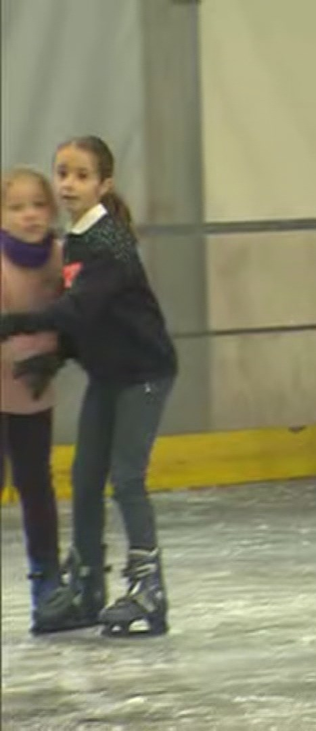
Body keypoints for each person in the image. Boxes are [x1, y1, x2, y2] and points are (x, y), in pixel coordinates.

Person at [0, 136, 178, 636]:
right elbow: (89, 325)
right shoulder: (76, 238)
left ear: (104, 184)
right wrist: (54, 359)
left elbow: (81, 310)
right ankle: (86, 588)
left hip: (144, 373)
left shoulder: (110, 240)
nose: (68, 184)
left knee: (125, 478)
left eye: (80, 175)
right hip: (108, 374)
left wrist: (13, 325)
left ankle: (149, 590)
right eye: (62, 173)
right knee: (84, 478)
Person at [0, 167, 65, 633]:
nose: (29, 215)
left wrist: (52, 358)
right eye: (17, 206)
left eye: (38, 205)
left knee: (35, 485)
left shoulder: (61, 258)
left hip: (34, 392)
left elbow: (74, 317)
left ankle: (47, 580)